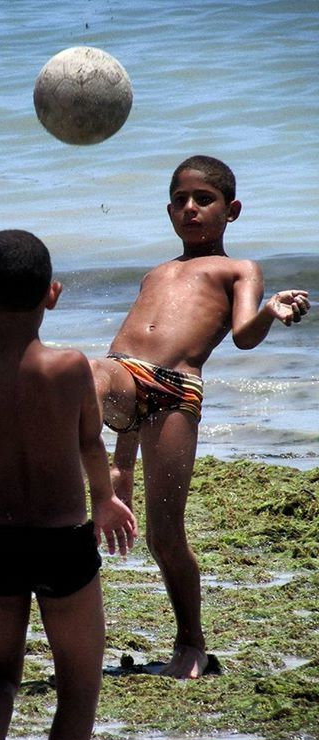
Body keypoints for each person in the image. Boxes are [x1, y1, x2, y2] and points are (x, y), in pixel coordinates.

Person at [91, 155, 311, 680]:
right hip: (124, 377)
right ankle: (83, 485)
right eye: (181, 201)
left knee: (165, 535)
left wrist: (269, 312)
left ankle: (190, 643)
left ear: (231, 210)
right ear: (169, 210)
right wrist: (120, 464)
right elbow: (123, 355)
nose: (191, 209)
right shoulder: (156, 272)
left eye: (204, 200)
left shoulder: (238, 269)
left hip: (175, 393)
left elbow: (243, 336)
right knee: (85, 372)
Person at [0, 229, 137, 740]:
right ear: (53, 294)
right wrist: (105, 500)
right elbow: (92, 445)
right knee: (79, 685)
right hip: (62, 542)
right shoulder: (72, 367)